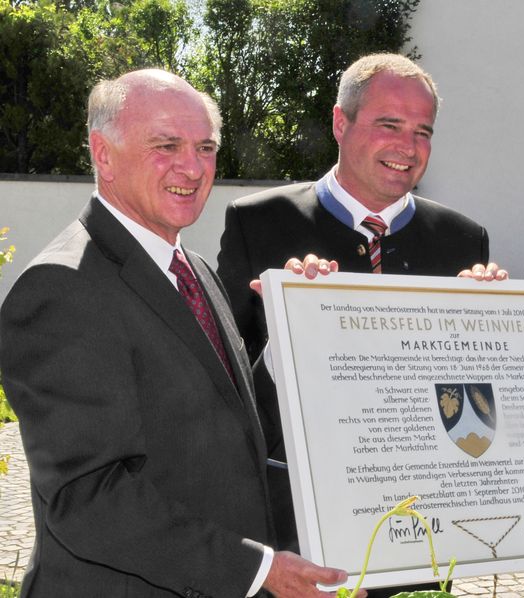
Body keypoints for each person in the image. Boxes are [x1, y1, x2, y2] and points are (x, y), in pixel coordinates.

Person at [0, 69, 360, 598]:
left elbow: (229, 428)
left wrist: (293, 337)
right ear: (103, 155)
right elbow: (90, 498)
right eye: (166, 146)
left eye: (205, 147)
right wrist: (259, 570)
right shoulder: (62, 286)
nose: (192, 168)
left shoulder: (193, 269)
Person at [216, 53, 503, 598]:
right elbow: (223, 388)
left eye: (423, 131)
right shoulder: (258, 223)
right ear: (340, 123)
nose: (408, 146)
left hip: (419, 535)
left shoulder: (463, 240)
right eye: (389, 125)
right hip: (292, 534)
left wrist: (494, 334)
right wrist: (287, 335)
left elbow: (473, 403)